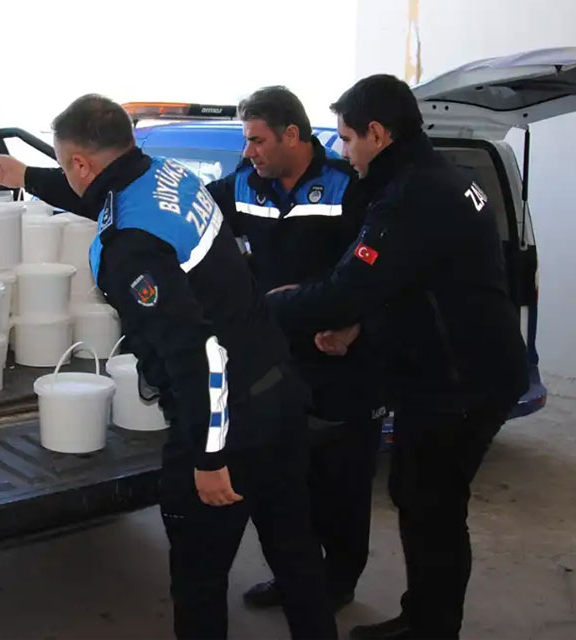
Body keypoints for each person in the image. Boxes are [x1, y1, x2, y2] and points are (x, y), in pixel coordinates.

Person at [0, 94, 336, 640]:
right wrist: (25, 175)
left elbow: (197, 354)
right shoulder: (163, 175)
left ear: (81, 162)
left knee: (198, 580)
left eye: (67, 163)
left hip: (229, 418)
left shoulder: (129, 248)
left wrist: (209, 457)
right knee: (296, 555)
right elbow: (101, 194)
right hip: (280, 392)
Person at [264, 75, 530, 640]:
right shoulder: (439, 178)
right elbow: (414, 280)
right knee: (424, 500)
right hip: (470, 367)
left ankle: (430, 629)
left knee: (430, 506)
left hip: (458, 381)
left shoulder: (410, 195)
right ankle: (425, 618)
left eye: (346, 138)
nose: (341, 152)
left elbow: (348, 287)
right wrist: (360, 324)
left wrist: (268, 310)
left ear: (377, 134)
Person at [205, 86, 385, 612]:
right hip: (276, 365)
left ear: (291, 135)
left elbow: (388, 273)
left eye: (256, 140)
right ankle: (295, 577)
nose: (248, 152)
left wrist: (355, 326)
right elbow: (186, 211)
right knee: (286, 484)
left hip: (340, 360)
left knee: (344, 485)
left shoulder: (348, 187)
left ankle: (340, 581)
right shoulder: (244, 187)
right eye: (246, 141)